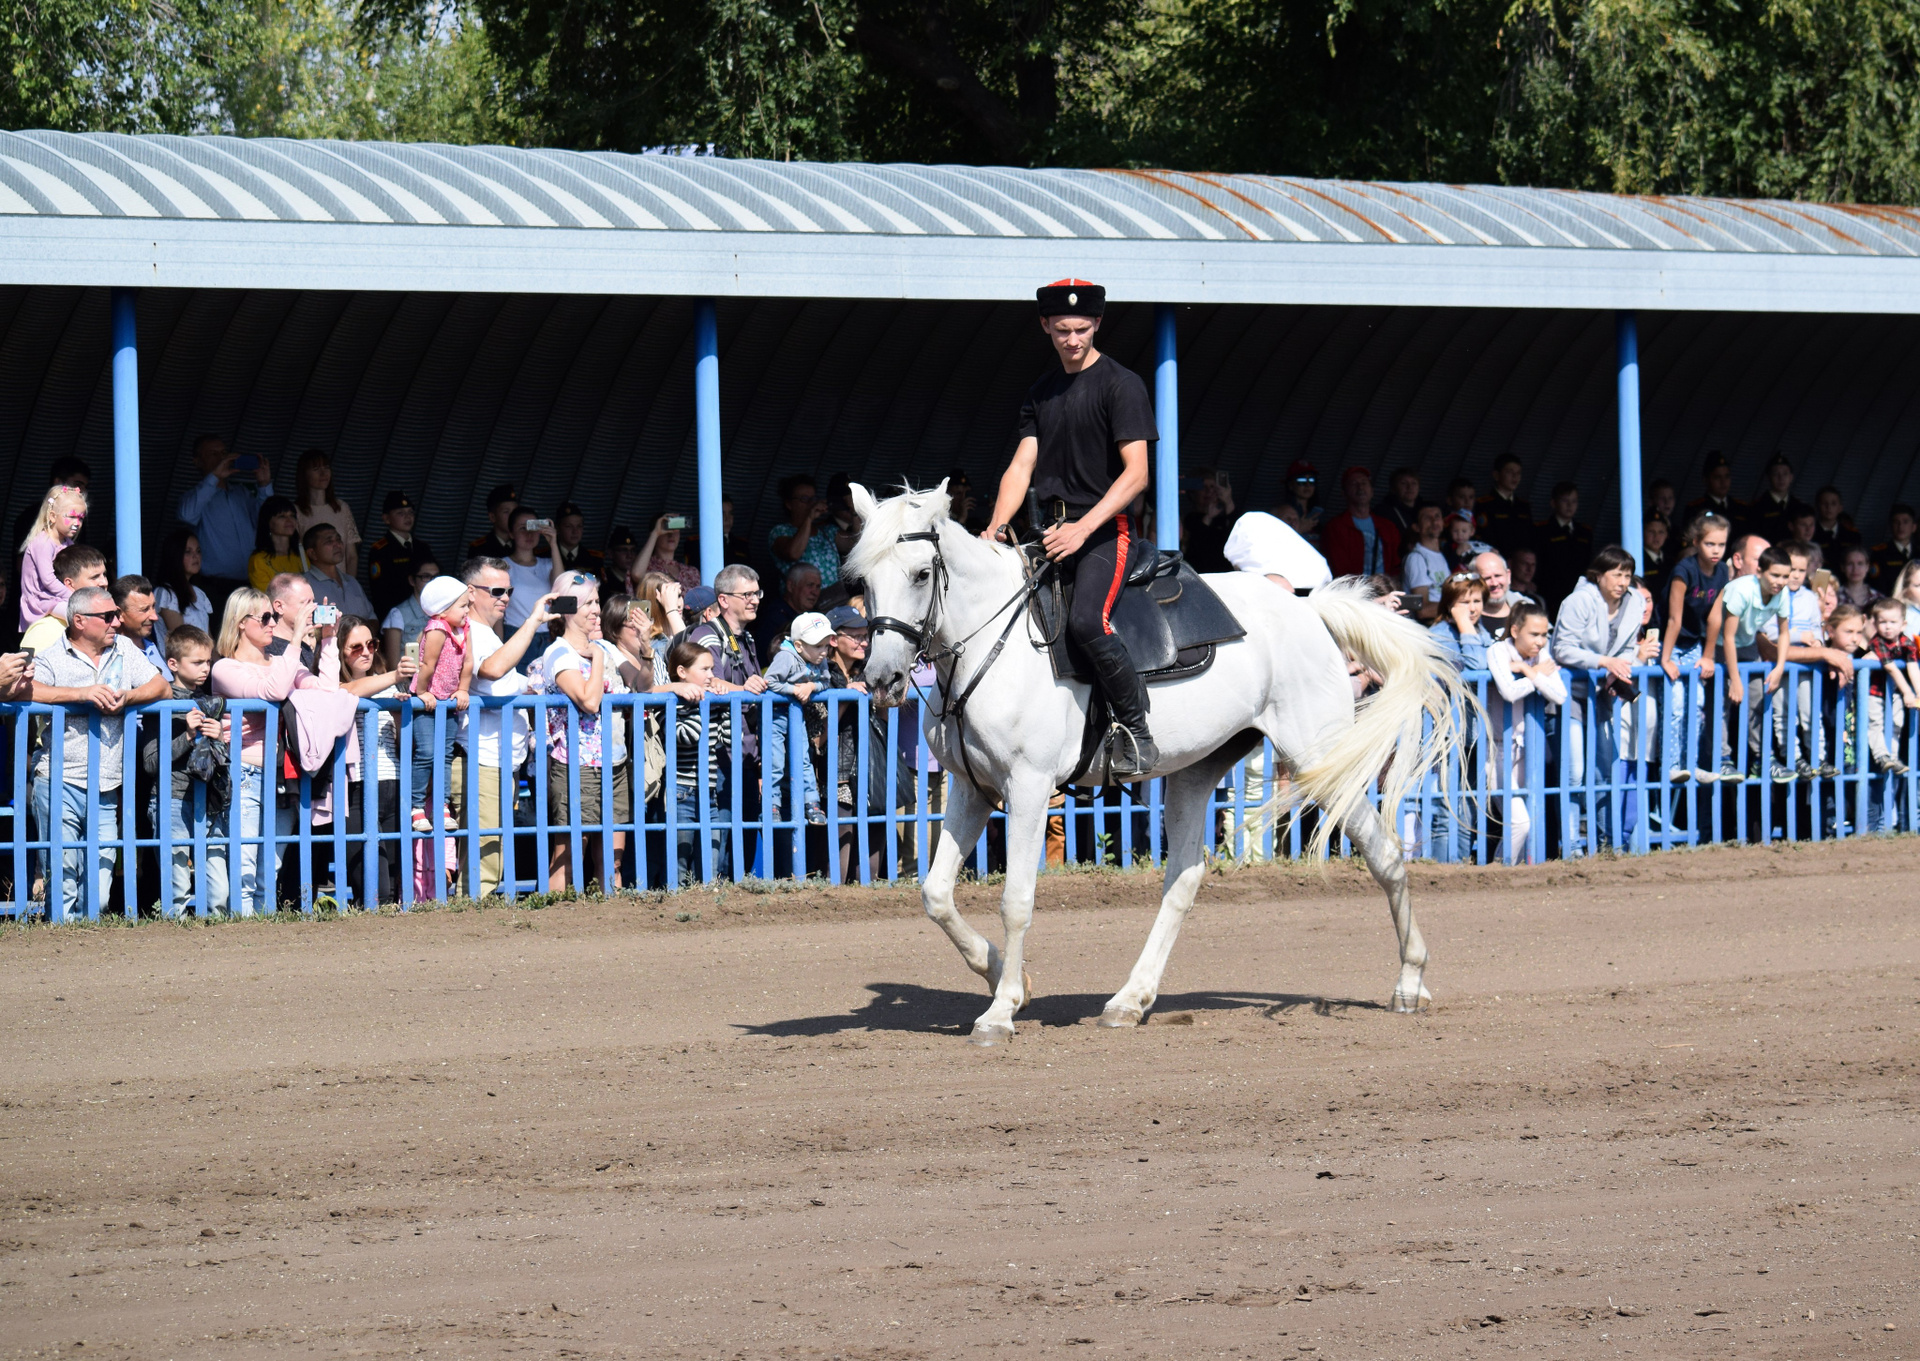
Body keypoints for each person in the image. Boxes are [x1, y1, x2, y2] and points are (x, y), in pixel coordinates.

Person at [979, 279, 1160, 778]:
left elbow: (1137, 475)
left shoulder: (1122, 385)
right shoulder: (1041, 392)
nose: (1072, 339)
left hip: (1105, 532)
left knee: (1085, 622)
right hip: (1050, 534)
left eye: (1081, 329)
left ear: (1097, 323)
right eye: (1062, 330)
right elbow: (1021, 467)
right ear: (1045, 326)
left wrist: (1082, 529)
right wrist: (995, 527)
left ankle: (1136, 731)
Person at [28, 585, 169, 915]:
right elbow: (26, 690)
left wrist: (128, 697)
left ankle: (85, 938)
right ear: (79, 621)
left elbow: (162, 686)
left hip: (107, 784)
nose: (116, 622)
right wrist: (81, 694)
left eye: (116, 615)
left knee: (100, 892)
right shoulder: (52, 655)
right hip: (58, 779)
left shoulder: (124, 648)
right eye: (108, 616)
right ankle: (60, 943)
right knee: (62, 883)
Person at [458, 558, 557, 899]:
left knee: (493, 846)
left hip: (500, 759)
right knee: (484, 850)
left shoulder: (486, 633)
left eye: (509, 591)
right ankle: (472, 916)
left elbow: (505, 678)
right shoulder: (469, 631)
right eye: (497, 590)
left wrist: (527, 688)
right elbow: (493, 671)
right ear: (471, 593)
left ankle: (475, 913)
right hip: (481, 757)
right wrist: (532, 621)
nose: (505, 598)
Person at [1550, 546, 1654, 850]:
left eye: (1627, 575)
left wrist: (1617, 670)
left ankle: (1608, 845)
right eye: (1616, 574)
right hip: (1570, 694)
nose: (1623, 582)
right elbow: (1562, 648)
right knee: (1574, 773)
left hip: (1602, 695)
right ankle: (1570, 845)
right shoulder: (1579, 600)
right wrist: (1604, 662)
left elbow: (1627, 648)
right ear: (1598, 575)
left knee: (1605, 770)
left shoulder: (1635, 601)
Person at [540, 576, 630, 891]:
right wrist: (599, 657)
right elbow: (589, 702)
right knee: (567, 857)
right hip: (575, 764)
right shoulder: (558, 652)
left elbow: (642, 684)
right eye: (587, 603)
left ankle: (612, 915)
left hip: (614, 762)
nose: (596, 610)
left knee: (613, 859)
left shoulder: (602, 646)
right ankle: (556, 916)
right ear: (566, 608)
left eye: (596, 601)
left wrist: (643, 646)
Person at [142, 625, 230, 915]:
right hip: (171, 798)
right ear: (173, 664)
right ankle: (174, 935)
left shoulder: (211, 702)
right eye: (197, 662)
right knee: (176, 887)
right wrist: (188, 737)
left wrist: (219, 739)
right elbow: (150, 762)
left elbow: (222, 759)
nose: (206, 668)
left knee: (219, 890)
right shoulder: (160, 703)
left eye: (208, 661)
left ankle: (218, 933)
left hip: (208, 799)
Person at [335, 615, 418, 905]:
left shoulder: (388, 686)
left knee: (394, 888)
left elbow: (404, 747)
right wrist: (396, 676)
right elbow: (349, 692)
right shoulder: (334, 684)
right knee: (374, 888)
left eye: (371, 644)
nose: (366, 652)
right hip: (356, 788)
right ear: (340, 652)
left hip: (393, 782)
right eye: (356, 647)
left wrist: (399, 717)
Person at [1703, 544, 1796, 779]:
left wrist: (1779, 668)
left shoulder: (1782, 593)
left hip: (1748, 644)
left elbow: (1784, 633)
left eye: (1785, 576)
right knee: (1721, 703)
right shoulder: (1741, 590)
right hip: (1721, 645)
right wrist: (1735, 679)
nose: (1780, 581)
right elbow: (1728, 636)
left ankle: (1763, 759)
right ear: (1760, 572)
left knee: (1758, 699)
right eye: (1775, 575)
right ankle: (1721, 760)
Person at [1485, 601, 1567, 863]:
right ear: (1515, 630)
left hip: (1528, 749)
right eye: (1534, 634)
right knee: (1520, 823)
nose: (1540, 642)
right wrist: (1537, 677)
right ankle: (1498, 872)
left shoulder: (1538, 656)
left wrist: (1527, 671)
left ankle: (1510, 872)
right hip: (1497, 748)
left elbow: (1560, 695)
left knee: (1528, 821)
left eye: (1544, 635)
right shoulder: (1498, 650)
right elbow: (1508, 691)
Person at [1659, 512, 1731, 783]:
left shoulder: (1722, 571)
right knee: (1676, 705)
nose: (1716, 551)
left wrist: (1708, 656)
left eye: (1721, 545)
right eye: (1710, 544)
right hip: (1669, 642)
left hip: (1694, 644)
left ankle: (1692, 763)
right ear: (1696, 542)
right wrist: (1666, 658)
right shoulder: (1684, 570)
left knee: (1696, 704)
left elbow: (1715, 617)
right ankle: (1671, 765)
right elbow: (1674, 619)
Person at [407, 575, 473, 833]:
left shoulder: (464, 629)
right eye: (463, 606)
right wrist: (422, 692)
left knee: (445, 754)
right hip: (427, 700)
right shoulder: (436, 629)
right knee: (426, 752)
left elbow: (468, 663)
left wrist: (463, 689)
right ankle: (416, 806)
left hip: (447, 702)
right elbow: (427, 664)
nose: (467, 611)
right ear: (443, 609)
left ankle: (442, 806)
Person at [178, 435, 275, 602]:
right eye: (213, 454)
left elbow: (269, 521)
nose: (221, 458)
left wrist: (264, 484)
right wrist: (214, 476)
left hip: (250, 583)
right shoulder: (194, 497)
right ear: (197, 461)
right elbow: (186, 515)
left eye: (224, 453)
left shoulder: (241, 493)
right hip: (215, 587)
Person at [665, 638, 728, 882]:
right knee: (679, 864)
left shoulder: (709, 702)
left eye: (712, 669)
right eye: (705, 669)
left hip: (709, 792)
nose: (711, 675)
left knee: (710, 862)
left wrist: (725, 707)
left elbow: (729, 739)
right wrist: (698, 707)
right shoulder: (669, 703)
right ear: (682, 672)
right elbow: (686, 736)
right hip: (681, 792)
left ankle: (709, 902)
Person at [761, 610, 832, 828]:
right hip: (775, 716)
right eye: (818, 646)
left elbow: (826, 682)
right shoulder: (786, 657)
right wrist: (794, 690)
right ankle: (771, 805)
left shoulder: (820, 660)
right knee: (775, 761)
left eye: (826, 646)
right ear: (799, 645)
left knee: (803, 759)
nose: (823, 652)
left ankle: (812, 803)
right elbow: (770, 681)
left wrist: (811, 686)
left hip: (796, 714)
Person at [17, 483, 89, 630]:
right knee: (81, 618)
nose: (77, 523)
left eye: (81, 518)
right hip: (41, 601)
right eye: (72, 517)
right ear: (52, 516)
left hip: (58, 598)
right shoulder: (43, 543)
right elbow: (48, 580)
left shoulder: (68, 544)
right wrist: (74, 597)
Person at [18, 544, 109, 657]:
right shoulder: (45, 630)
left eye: (104, 575)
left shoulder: (112, 623)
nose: (104, 582)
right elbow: (28, 667)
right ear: (69, 584)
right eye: (94, 577)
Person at [1864, 598, 1917, 775]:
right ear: (1875, 624)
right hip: (1875, 691)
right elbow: (1891, 668)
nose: (1888, 627)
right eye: (1883, 622)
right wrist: (1908, 692)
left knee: (1897, 723)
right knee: (1875, 723)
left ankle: (1893, 757)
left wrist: (1918, 693)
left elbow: (1912, 667)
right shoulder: (1877, 642)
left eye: (1893, 622)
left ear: (1903, 625)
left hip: (1894, 692)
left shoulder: (1906, 642)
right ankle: (1881, 755)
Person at [8, 455, 89, 566]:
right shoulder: (31, 517)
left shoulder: (77, 523)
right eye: (77, 484)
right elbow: (22, 561)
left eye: (85, 487)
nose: (81, 491)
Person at [1223, 510, 1332, 593]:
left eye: (1296, 519)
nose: (1293, 523)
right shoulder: (1262, 541)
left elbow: (1283, 588)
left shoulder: (1271, 560)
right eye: (1288, 518)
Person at [366, 491, 436, 619]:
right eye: (400, 513)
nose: (407, 517)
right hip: (394, 614)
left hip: (424, 612)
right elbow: (380, 591)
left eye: (410, 512)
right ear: (386, 518)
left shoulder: (422, 547)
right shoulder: (381, 550)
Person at [1320, 467, 1398, 579]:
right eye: (1354, 483)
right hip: (1353, 589)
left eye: (1364, 483)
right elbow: (1338, 569)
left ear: (1372, 491)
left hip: (1384, 587)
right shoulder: (1335, 527)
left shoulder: (1387, 527)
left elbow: (1396, 566)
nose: (1360, 487)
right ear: (1343, 493)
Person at [292, 449, 361, 573]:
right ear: (304, 475)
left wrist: (349, 582)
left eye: (326, 467)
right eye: (316, 469)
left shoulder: (342, 508)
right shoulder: (295, 511)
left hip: (341, 580)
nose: (323, 473)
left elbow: (351, 556)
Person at [769, 474, 842, 588]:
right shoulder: (780, 531)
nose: (811, 503)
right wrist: (809, 518)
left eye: (813, 499)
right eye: (804, 499)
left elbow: (857, 543)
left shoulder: (826, 531)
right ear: (789, 504)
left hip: (834, 597)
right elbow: (793, 553)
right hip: (803, 598)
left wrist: (853, 511)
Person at [1535, 482, 1593, 613]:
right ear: (1553, 503)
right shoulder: (1542, 531)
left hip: (1578, 591)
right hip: (1551, 591)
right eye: (1565, 501)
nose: (1569, 505)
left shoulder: (1584, 532)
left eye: (1574, 501)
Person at [152, 528, 212, 654]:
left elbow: (210, 639)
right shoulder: (166, 594)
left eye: (198, 551)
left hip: (203, 661)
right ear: (175, 556)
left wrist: (217, 663)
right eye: (188, 552)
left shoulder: (200, 594)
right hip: (178, 663)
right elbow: (182, 640)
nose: (195, 556)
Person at [303, 523, 375, 619]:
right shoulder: (305, 586)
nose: (337, 544)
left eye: (338, 539)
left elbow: (372, 618)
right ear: (312, 553)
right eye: (329, 541)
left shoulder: (352, 582)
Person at [381, 556, 438, 669]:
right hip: (410, 677)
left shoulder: (445, 611)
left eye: (436, 577)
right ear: (412, 580)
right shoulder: (397, 614)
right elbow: (393, 665)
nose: (432, 582)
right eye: (426, 577)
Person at [754, 561, 821, 656]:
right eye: (810, 585)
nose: (815, 592)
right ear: (791, 586)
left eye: (818, 587)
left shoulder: (815, 617)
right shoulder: (773, 617)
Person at [1429, 571, 1490, 671]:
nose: (1472, 609)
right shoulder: (1440, 635)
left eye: (1477, 601)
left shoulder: (1480, 628)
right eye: (1465, 602)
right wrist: (1464, 622)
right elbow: (1477, 664)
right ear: (1449, 606)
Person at [112, 575, 169, 680]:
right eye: (144, 610)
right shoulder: (113, 656)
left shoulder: (151, 646)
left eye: (153, 607)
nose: (155, 617)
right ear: (120, 613)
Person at [1182, 468, 1238, 574]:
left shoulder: (1225, 518)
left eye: (1213, 487)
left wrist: (1228, 501)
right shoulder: (1190, 519)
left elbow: (1237, 536)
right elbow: (1196, 546)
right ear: (1193, 493)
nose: (1209, 491)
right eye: (1203, 487)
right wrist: (1208, 517)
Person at [1747, 453, 1811, 546]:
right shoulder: (1758, 506)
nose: (1781, 478)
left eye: (1785, 474)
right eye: (1776, 474)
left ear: (1791, 477)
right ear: (1769, 477)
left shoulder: (1799, 506)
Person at [1475, 454, 1533, 556]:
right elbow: (1484, 538)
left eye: (1518, 473)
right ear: (1496, 475)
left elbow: (1530, 538)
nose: (1515, 477)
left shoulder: (1523, 506)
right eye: (1510, 472)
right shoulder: (1485, 505)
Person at [1399, 503, 1448, 620]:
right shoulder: (1416, 558)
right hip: (1428, 627)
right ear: (1416, 527)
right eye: (1427, 518)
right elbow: (1423, 610)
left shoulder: (1441, 555)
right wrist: (1458, 607)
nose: (1434, 521)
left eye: (1437, 516)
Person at [247, 496, 306, 591]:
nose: (289, 520)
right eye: (282, 516)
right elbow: (266, 595)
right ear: (268, 522)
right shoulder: (258, 560)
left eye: (292, 516)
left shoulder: (301, 554)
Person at [1683, 450, 1744, 531]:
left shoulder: (1740, 507)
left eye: (1727, 476)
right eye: (1717, 477)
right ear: (1706, 480)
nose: (1723, 482)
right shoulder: (1696, 509)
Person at [1471, 551, 1525, 641]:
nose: (1494, 583)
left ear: (1508, 576)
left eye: (1498, 576)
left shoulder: (1526, 609)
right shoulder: (1466, 617)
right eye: (1487, 578)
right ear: (1473, 581)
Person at [1870, 505, 1917, 596]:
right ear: (1891, 526)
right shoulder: (1880, 553)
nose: (1900, 526)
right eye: (1896, 522)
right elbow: (1877, 586)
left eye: (1905, 522)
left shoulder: (1918, 553)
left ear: (1914, 527)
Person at [552, 502, 603, 576]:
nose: (575, 531)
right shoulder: (545, 556)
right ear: (557, 528)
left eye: (579, 526)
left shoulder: (594, 559)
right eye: (568, 526)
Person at [469, 484, 518, 559]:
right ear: (492, 517)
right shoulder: (480, 549)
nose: (512, 516)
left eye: (515, 511)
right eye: (506, 512)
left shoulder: (522, 545)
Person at [1278, 461, 1323, 537]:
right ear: (1290, 485)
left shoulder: (1318, 513)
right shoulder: (1282, 513)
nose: (1307, 485)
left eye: (1312, 481)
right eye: (1301, 481)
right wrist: (1299, 529)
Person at [1442, 509, 1493, 573]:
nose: (1460, 534)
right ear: (1450, 531)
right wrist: (1457, 554)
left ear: (1472, 532)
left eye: (1464, 531)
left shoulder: (1478, 544)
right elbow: (1445, 566)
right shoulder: (1448, 546)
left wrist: (1492, 553)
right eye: (1455, 531)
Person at [1812, 486, 1860, 552]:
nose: (1829, 507)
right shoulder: (1810, 534)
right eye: (1824, 503)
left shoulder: (1852, 537)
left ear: (1840, 508)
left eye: (1833, 504)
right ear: (1817, 507)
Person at [1381, 467, 1422, 540]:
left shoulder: (1424, 511)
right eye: (1403, 483)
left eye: (1414, 483)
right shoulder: (1385, 512)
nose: (1409, 487)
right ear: (1393, 488)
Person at [1836, 544, 1879, 609]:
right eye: (1850, 564)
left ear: (1867, 567)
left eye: (1860, 563)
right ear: (1843, 567)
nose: (1855, 569)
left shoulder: (1877, 598)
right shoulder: (1835, 597)